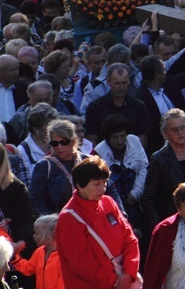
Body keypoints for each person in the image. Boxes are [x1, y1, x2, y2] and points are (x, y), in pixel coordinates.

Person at [56, 156, 140, 289]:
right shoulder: (69, 218)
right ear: (79, 185)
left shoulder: (108, 202)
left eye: (105, 182)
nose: (103, 189)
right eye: (96, 184)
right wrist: (117, 283)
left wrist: (129, 274)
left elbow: (130, 240)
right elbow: (82, 266)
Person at [93, 114, 149, 222]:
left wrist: (135, 193)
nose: (120, 141)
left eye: (122, 136)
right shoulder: (98, 151)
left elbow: (143, 166)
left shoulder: (134, 141)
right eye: (115, 137)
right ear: (108, 138)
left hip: (138, 198)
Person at [10, 214, 64, 289]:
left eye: (37, 233)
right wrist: (13, 256)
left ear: (49, 236)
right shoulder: (39, 251)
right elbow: (28, 269)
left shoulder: (62, 257)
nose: (34, 236)